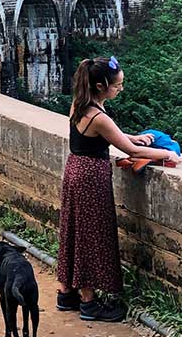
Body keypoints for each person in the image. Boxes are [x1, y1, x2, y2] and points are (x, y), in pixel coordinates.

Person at [57, 56, 175, 322]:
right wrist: (166, 155)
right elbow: (130, 150)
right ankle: (89, 303)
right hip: (91, 177)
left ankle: (66, 293)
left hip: (76, 168)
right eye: (117, 85)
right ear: (101, 86)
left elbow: (110, 136)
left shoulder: (80, 104)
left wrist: (130, 136)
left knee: (74, 229)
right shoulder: (98, 116)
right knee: (91, 234)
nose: (120, 89)